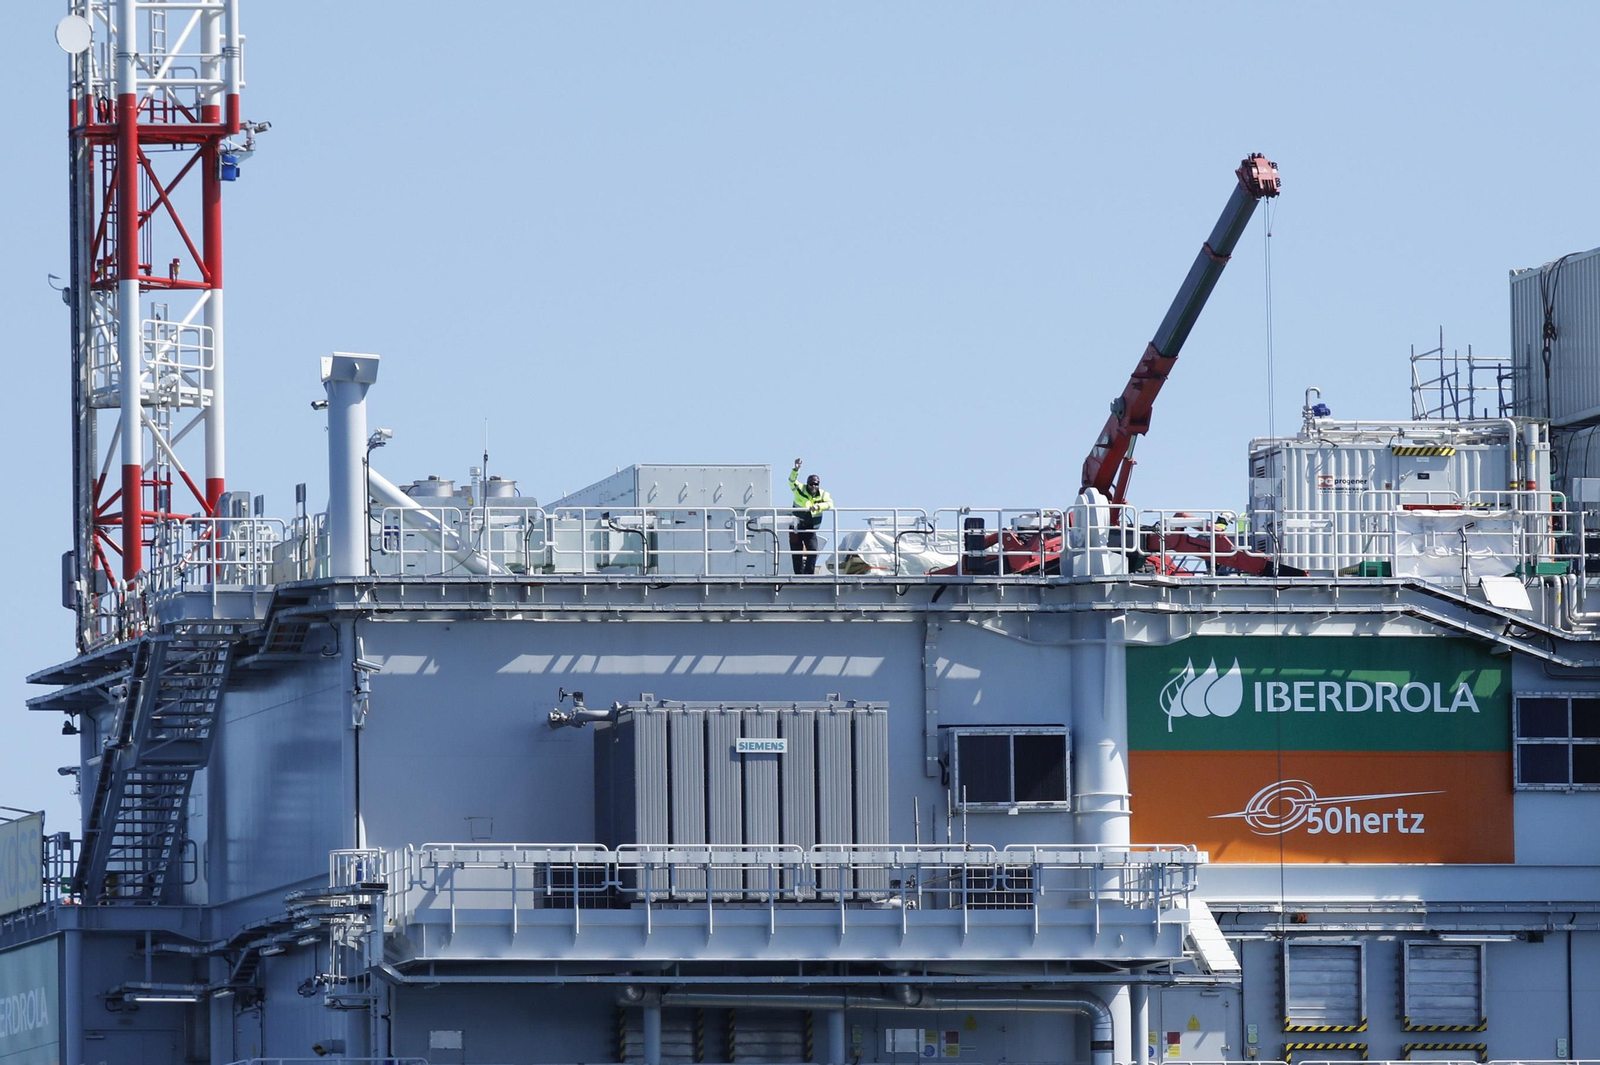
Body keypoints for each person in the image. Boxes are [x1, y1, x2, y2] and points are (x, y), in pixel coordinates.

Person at [788, 458, 832, 574]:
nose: (814, 486)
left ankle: (809, 574)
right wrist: (796, 469)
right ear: (807, 484)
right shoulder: (800, 489)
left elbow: (830, 504)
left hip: (810, 527)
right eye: (811, 484)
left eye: (816, 484)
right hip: (796, 527)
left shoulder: (823, 494)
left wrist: (818, 507)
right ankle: (799, 575)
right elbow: (791, 481)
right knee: (796, 552)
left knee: (812, 550)